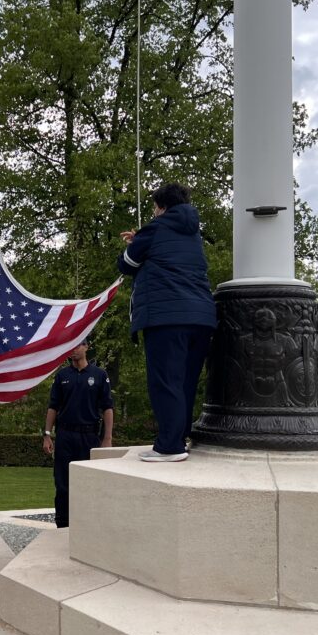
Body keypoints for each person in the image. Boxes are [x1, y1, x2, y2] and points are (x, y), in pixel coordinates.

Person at [117, 182, 216, 462]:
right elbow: (164, 252)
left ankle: (169, 447)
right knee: (185, 381)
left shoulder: (155, 228)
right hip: (202, 318)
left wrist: (136, 243)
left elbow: (125, 264)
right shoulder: (193, 236)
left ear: (161, 207)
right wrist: (143, 240)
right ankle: (180, 438)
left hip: (167, 317)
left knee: (165, 381)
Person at [42, 341, 114, 528]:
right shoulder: (62, 376)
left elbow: (107, 407)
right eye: (71, 345)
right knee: (62, 483)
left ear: (87, 346)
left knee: (89, 482)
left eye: (78, 345)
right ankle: (63, 524)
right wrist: (47, 434)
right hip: (65, 435)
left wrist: (107, 438)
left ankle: (87, 524)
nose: (74, 349)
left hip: (89, 436)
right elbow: (53, 406)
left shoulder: (99, 375)